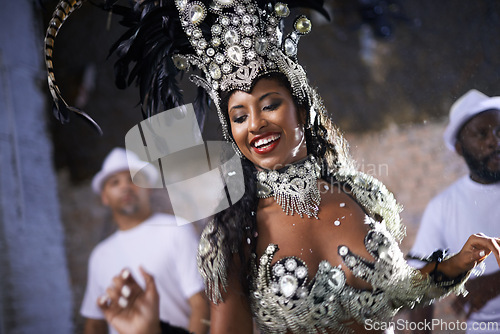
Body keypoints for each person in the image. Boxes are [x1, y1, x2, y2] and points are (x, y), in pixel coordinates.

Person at [45, 1, 500, 333]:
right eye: (239, 115)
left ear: (300, 107)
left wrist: (457, 263)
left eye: (269, 105)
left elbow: (396, 291)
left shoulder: (362, 194)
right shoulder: (232, 231)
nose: (256, 124)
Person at [80, 147, 209, 334]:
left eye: (134, 179)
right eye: (115, 182)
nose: (125, 186)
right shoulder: (100, 255)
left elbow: (201, 303)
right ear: (105, 197)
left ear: (148, 187)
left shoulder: (176, 230)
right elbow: (95, 323)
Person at [408, 89, 500, 334]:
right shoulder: (443, 206)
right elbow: (419, 282)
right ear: (460, 148)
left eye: (499, 132)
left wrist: (495, 282)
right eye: (482, 134)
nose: (495, 140)